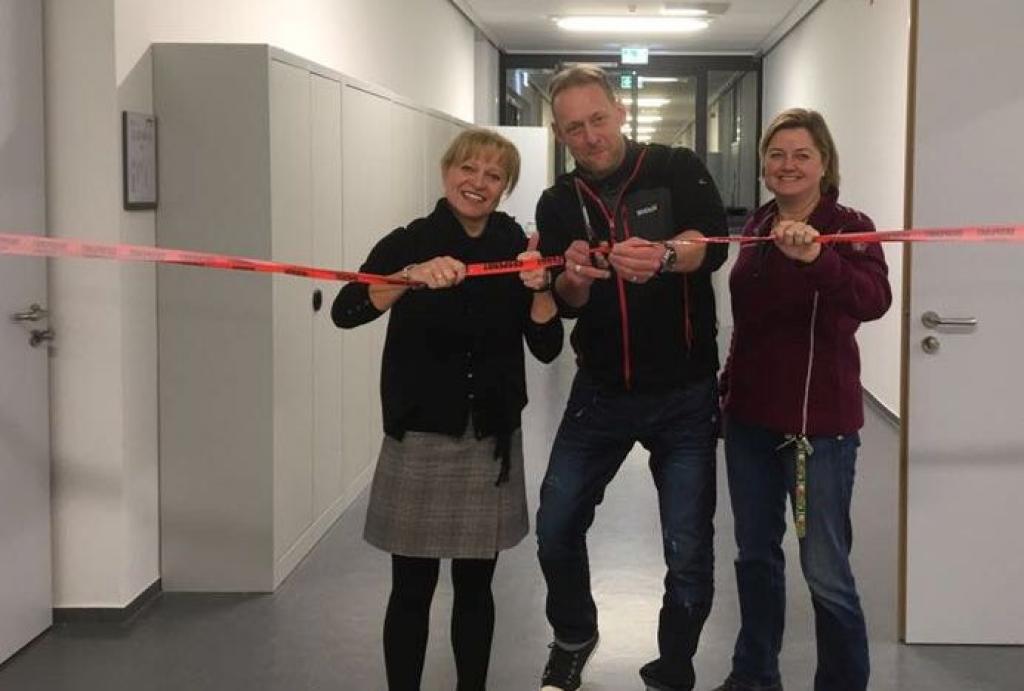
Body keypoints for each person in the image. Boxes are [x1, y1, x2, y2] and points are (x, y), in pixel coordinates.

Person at [332, 127, 563, 691]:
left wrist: (539, 287)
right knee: (411, 588)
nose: (478, 182)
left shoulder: (518, 248)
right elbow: (347, 310)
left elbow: (547, 346)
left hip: (490, 439)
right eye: (468, 169)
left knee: (476, 588)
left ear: (505, 188)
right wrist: (406, 279)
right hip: (421, 435)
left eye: (493, 175)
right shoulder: (408, 241)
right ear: (446, 172)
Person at [533, 65, 729, 691]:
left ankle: (674, 665)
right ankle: (574, 634)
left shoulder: (674, 166)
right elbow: (565, 301)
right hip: (600, 393)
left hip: (685, 394)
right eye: (574, 128)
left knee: (688, 549)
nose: (590, 136)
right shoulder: (558, 202)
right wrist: (572, 278)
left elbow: (712, 243)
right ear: (560, 135)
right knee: (555, 526)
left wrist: (667, 255)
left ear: (619, 112)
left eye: (597, 119)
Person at [714, 108, 892, 691]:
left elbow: (873, 300)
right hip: (749, 424)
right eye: (776, 154)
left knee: (825, 571)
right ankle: (754, 676)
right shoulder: (759, 223)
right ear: (763, 164)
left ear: (824, 164)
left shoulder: (849, 225)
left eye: (801, 155)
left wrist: (818, 258)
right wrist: (727, 389)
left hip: (818, 432)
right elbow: (748, 322)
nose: (787, 165)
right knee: (755, 558)